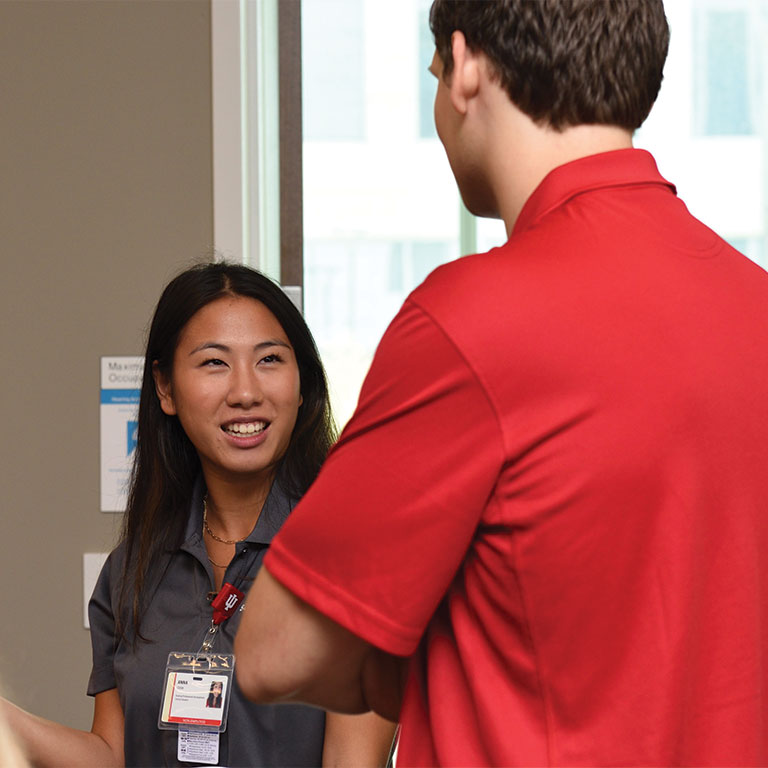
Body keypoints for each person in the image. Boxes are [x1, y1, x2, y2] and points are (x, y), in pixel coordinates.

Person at [233, 1, 768, 765]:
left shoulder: (467, 324)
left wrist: (423, 647)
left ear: (467, 66)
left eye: (434, 74)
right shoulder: (758, 306)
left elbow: (274, 654)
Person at [1, 263, 395, 767]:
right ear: (165, 388)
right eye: (214, 363)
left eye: (270, 359)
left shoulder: (355, 560)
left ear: (302, 382)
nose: (246, 392)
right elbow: (115, 755)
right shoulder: (132, 570)